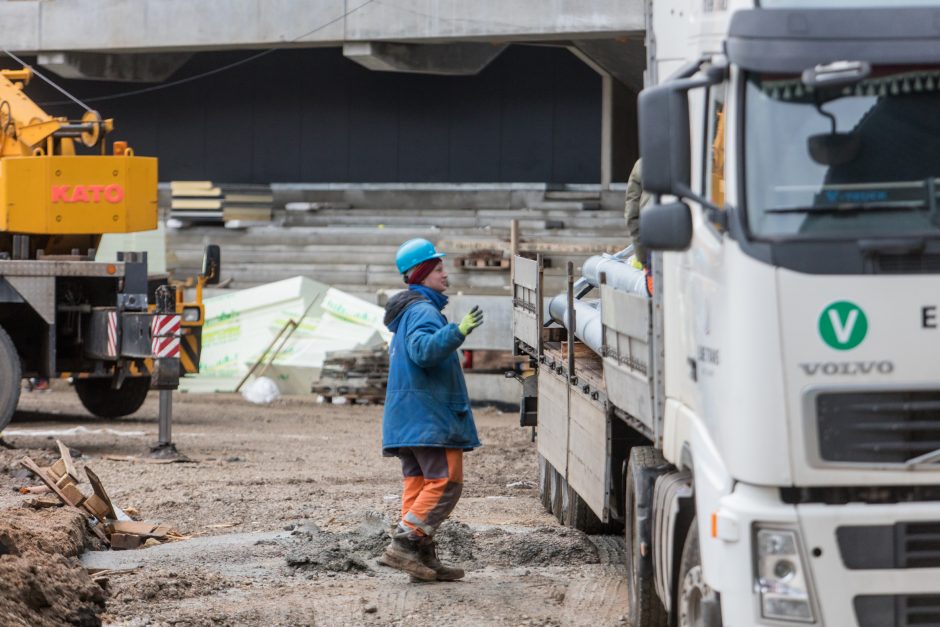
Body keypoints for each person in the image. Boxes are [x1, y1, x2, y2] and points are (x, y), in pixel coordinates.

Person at [377, 238, 485, 582]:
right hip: (428, 416)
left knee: (419, 482)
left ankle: (420, 556)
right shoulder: (423, 311)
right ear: (423, 273)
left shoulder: (411, 311)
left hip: (409, 418)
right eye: (439, 269)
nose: (445, 275)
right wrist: (457, 331)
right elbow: (424, 351)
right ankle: (406, 546)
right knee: (445, 481)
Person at [624, 157, 652, 269]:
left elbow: (632, 214)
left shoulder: (644, 163)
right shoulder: (700, 159)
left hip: (654, 243)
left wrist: (643, 257)